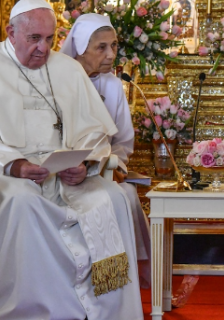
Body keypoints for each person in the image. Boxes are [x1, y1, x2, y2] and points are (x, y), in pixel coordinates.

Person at [0, 0, 144, 319]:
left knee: (112, 197)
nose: (43, 49)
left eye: (49, 38)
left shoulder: (67, 69)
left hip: (63, 177)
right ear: (11, 33)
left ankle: (108, 308)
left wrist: (85, 164)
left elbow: (94, 131)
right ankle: (36, 312)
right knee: (24, 203)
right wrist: (13, 164)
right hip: (0, 178)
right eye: (34, 39)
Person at [60, 13, 151, 288]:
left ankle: (113, 285)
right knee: (112, 199)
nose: (111, 54)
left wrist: (116, 165)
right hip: (63, 174)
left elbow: (122, 140)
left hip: (103, 172)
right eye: (101, 47)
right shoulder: (58, 81)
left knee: (125, 195)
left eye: (114, 45)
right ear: (80, 48)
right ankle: (90, 283)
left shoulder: (112, 84)